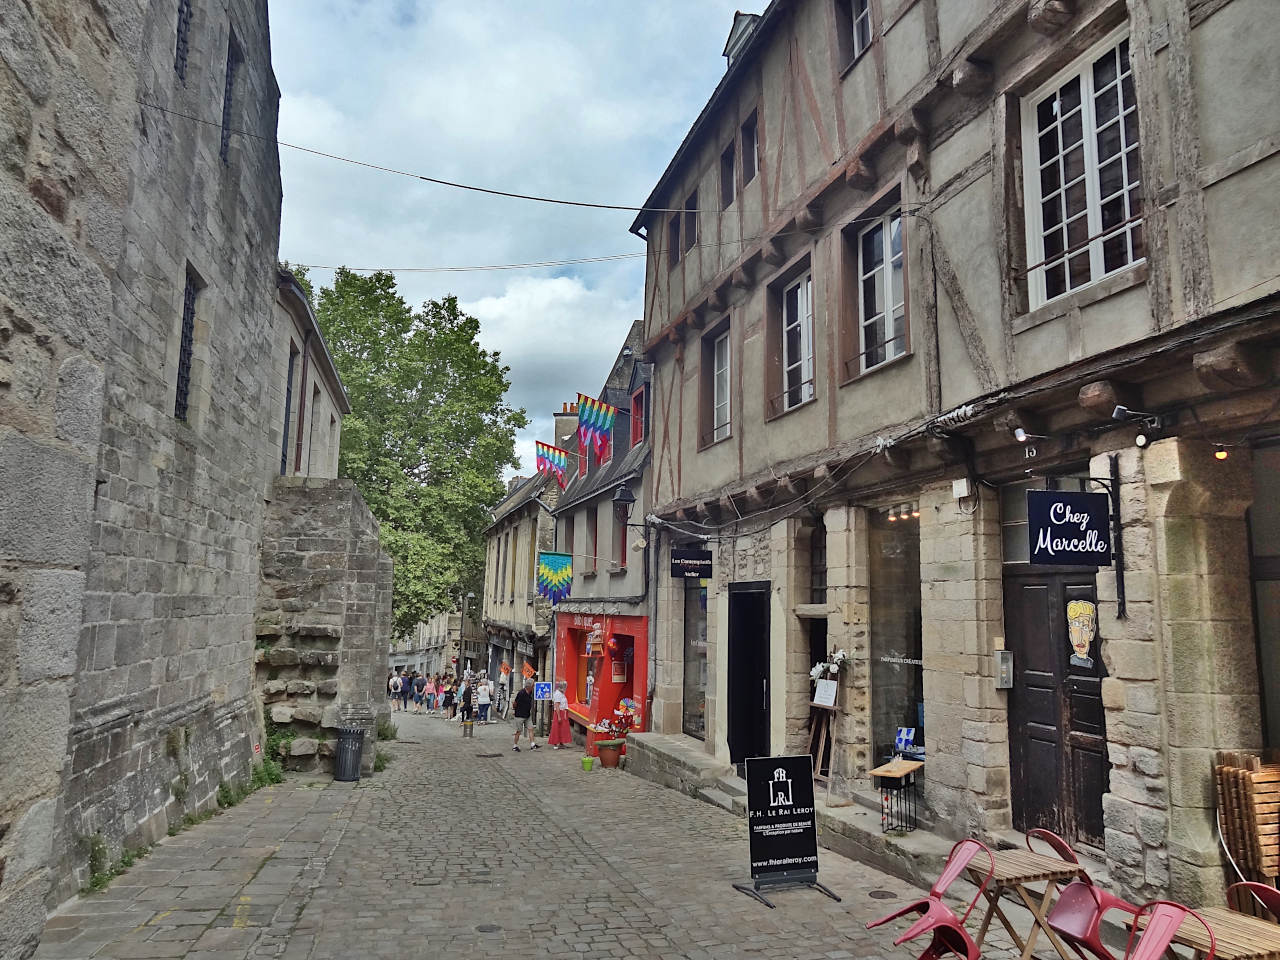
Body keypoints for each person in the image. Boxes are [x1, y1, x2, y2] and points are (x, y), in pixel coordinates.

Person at [511, 679, 539, 751]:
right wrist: (514, 709)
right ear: (529, 686)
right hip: (520, 715)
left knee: (531, 728)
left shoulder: (530, 692)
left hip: (527, 715)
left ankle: (532, 744)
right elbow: (515, 703)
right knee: (519, 731)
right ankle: (515, 745)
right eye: (533, 685)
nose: (534, 687)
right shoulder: (521, 693)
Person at [547, 680, 572, 749]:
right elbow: (557, 706)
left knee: (562, 728)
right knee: (557, 728)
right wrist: (559, 716)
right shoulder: (558, 694)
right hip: (559, 712)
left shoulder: (561, 693)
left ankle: (561, 742)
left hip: (563, 712)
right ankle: (555, 743)